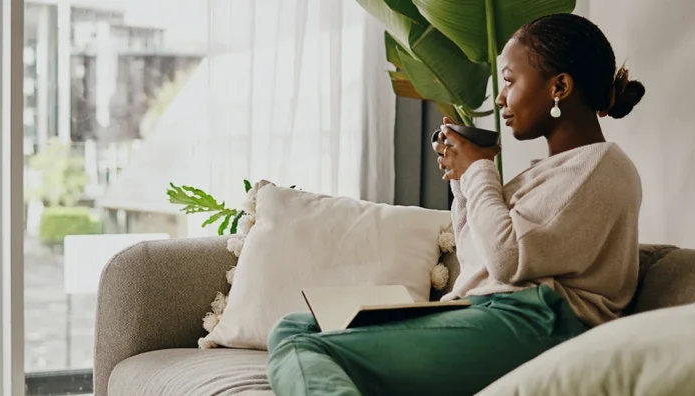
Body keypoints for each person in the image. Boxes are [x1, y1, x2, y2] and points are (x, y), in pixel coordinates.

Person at [266, 13, 646, 396]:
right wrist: (464, 180)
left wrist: (480, 167)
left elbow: (506, 259)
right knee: (294, 326)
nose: (500, 98)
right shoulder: (552, 171)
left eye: (510, 81)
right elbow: (477, 261)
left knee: (303, 347)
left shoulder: (599, 166)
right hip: (494, 314)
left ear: (559, 86)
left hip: (540, 325)